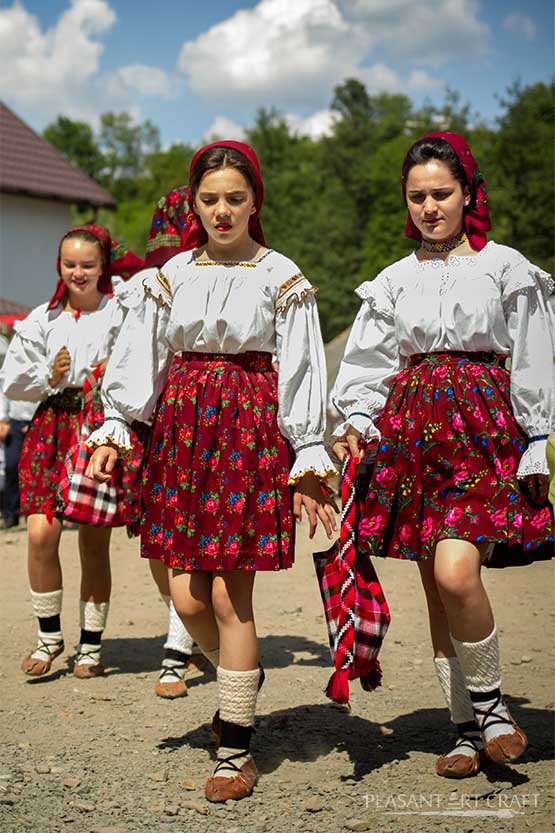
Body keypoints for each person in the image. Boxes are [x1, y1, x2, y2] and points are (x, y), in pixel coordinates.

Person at [86, 140, 337, 802]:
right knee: (189, 595)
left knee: (230, 596)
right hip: (182, 433)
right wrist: (118, 425)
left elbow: (304, 367)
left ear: (254, 200)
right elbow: (142, 358)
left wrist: (307, 449)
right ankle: (238, 679)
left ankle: (234, 745)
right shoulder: (168, 275)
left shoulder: (282, 275)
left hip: (249, 434)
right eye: (209, 199)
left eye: (234, 197)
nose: (221, 210)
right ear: (192, 204)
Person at [331, 132, 554, 780]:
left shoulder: (506, 267)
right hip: (411, 436)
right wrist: (356, 420)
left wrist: (539, 436)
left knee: (458, 571)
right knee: (435, 587)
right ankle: (464, 729)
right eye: (417, 195)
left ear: (467, 194)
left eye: (441, 193)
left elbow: (535, 354)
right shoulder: (393, 280)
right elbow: (368, 364)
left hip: (483, 432)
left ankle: (490, 709)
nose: (429, 206)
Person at [1, 224, 144, 679]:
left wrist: (108, 372)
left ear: (103, 267)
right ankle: (49, 637)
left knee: (93, 542)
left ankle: (90, 645)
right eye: (70, 264)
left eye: (87, 264)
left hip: (97, 429)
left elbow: (139, 364)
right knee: (41, 533)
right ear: (58, 266)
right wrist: (50, 373)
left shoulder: (119, 313)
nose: (78, 273)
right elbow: (13, 385)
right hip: (49, 427)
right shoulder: (43, 319)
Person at [120, 186, 199, 699]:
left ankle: (180, 643)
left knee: (195, 525)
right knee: (157, 532)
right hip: (153, 420)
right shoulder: (146, 283)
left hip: (203, 416)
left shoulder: (239, 273)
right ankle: (181, 619)